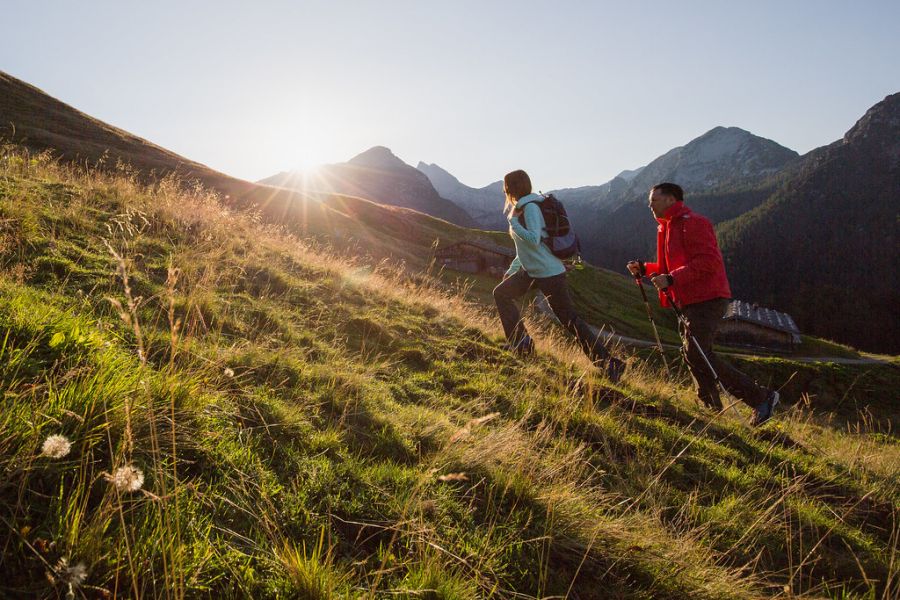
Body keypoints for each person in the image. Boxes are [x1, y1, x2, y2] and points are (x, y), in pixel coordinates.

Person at [627, 182, 778, 425]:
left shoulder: (693, 223)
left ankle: (761, 397)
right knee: (692, 354)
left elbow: (708, 262)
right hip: (688, 299)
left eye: (653, 200)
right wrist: (645, 269)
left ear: (670, 199)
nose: (650, 206)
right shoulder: (665, 229)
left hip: (707, 298)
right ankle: (712, 408)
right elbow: (668, 270)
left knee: (697, 353)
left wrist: (672, 279)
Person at [493, 169, 625, 383]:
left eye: (505, 186)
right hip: (533, 271)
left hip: (549, 273)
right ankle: (521, 344)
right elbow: (524, 248)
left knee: (569, 320)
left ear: (510, 188)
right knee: (501, 294)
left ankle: (610, 364)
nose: (504, 190)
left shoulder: (530, 208)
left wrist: (514, 223)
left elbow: (534, 240)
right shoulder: (520, 208)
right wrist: (513, 268)